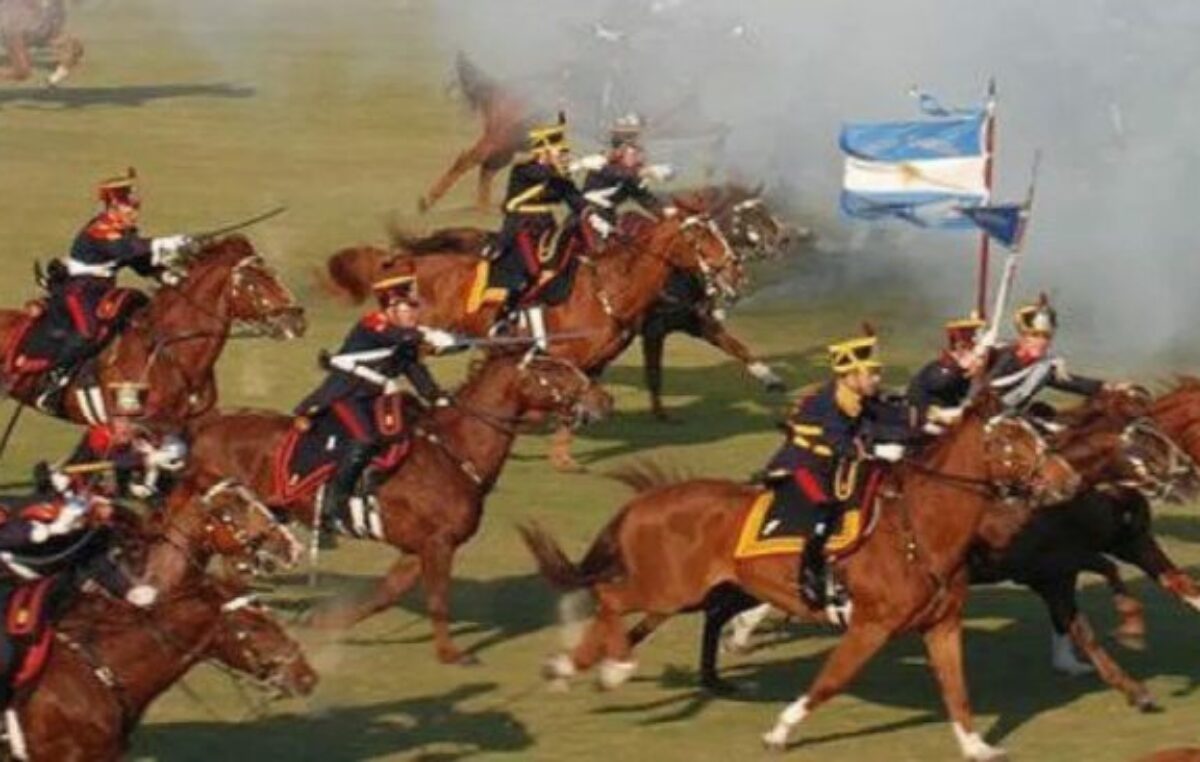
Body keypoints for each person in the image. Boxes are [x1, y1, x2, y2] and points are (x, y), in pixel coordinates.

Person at [294, 262, 453, 536]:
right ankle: (333, 505)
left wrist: (438, 399)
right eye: (408, 308)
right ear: (390, 308)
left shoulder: (405, 340)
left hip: (373, 400)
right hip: (346, 394)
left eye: (415, 308)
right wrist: (429, 335)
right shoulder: (373, 324)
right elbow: (399, 336)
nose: (414, 313)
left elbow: (417, 373)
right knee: (364, 439)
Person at [764, 331, 916, 608]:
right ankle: (809, 573)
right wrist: (874, 451)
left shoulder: (858, 396)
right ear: (852, 375)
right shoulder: (828, 402)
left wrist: (925, 425)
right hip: (804, 464)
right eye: (872, 374)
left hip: (834, 465)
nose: (877, 379)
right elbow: (838, 442)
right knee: (824, 508)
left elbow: (889, 418)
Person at [0, 488, 157, 736]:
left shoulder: (85, 529)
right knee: (5, 654)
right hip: (8, 589)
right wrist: (43, 531)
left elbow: (93, 559)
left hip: (58, 595)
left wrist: (127, 590)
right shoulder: (31, 515)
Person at [38, 169, 194, 410]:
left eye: (135, 208)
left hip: (102, 289)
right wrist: (169, 243)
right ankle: (54, 377)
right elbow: (129, 251)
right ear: (112, 208)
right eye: (129, 208)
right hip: (78, 290)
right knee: (89, 332)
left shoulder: (123, 231)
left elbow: (139, 262)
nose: (134, 213)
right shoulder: (100, 229)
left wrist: (168, 276)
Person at [494, 114, 609, 350]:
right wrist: (579, 165)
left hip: (547, 227)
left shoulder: (558, 176)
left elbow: (575, 199)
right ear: (543, 152)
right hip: (520, 227)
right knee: (533, 271)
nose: (564, 156)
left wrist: (594, 217)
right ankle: (506, 316)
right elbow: (545, 175)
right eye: (559, 151)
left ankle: (547, 328)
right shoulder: (524, 170)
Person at [37, 381, 187, 502]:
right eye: (122, 420)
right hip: (99, 473)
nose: (126, 424)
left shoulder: (140, 430)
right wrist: (141, 457)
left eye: (130, 419)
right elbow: (109, 460)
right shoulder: (101, 436)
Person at [985, 296, 1118, 424]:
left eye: (1046, 337)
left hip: (1007, 419)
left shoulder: (1043, 366)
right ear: (1023, 338)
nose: (1042, 342)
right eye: (1035, 336)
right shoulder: (1001, 355)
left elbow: (1072, 383)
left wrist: (1107, 387)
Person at [576, 113, 673, 233]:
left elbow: (643, 197)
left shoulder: (629, 175)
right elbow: (618, 174)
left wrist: (665, 212)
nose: (639, 157)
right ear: (621, 150)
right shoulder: (602, 164)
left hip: (608, 216)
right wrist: (646, 172)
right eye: (633, 152)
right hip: (587, 215)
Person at [907, 314, 987, 435]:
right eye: (970, 349)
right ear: (960, 347)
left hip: (954, 415)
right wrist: (962, 370)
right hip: (930, 422)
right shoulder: (940, 371)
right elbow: (939, 386)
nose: (975, 356)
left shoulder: (962, 370)